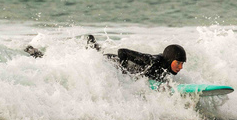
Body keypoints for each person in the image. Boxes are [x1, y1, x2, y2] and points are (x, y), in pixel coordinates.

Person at [26, 36, 187, 83]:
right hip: (109, 63)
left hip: (111, 63)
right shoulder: (150, 61)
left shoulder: (165, 67)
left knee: (93, 54)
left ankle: (92, 44)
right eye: (178, 63)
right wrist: (123, 74)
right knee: (61, 64)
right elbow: (122, 51)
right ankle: (36, 53)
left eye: (181, 64)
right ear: (170, 59)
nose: (180, 67)